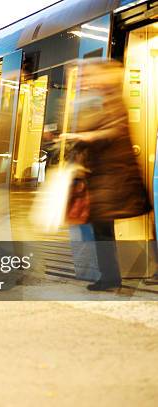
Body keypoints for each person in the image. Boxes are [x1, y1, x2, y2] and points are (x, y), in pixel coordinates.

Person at [63, 59, 151, 291]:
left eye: (90, 77)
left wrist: (88, 137)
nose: (87, 81)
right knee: (102, 229)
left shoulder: (111, 99)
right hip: (104, 178)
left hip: (111, 179)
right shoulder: (103, 99)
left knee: (102, 229)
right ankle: (109, 276)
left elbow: (115, 130)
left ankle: (109, 277)